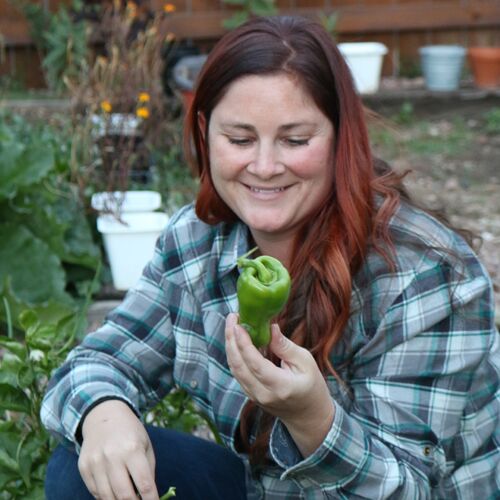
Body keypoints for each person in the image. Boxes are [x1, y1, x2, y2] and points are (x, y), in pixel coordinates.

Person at [42, 15, 500, 500]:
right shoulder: (197, 242)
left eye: (295, 140)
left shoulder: (427, 273)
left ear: (341, 138)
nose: (263, 167)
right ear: (204, 131)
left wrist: (313, 419)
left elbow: (410, 491)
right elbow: (100, 360)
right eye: (239, 139)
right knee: (80, 467)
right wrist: (104, 413)